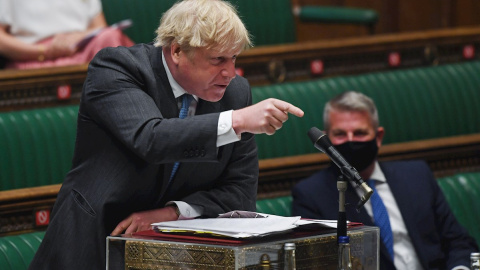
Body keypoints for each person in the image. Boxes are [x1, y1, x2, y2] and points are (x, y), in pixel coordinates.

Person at [28, 0, 304, 269]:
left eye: (234, 58)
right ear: (177, 52)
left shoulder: (235, 92)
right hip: (95, 239)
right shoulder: (117, 68)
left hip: (170, 254)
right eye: (218, 59)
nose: (230, 73)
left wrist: (172, 212)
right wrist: (237, 120)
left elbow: (240, 194)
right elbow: (150, 138)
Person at [292, 91, 478, 270]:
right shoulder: (311, 195)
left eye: (360, 133)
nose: (351, 142)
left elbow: (458, 242)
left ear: (378, 137)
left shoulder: (417, 175)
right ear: (326, 141)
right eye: (340, 134)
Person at [0, 0, 134, 69]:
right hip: (34, 59)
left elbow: (100, 26)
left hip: (82, 51)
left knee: (110, 38)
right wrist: (46, 51)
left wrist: (79, 37)